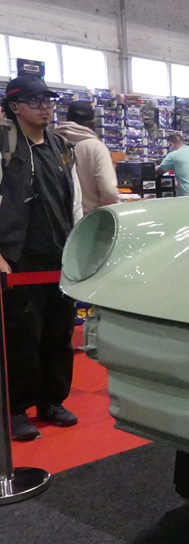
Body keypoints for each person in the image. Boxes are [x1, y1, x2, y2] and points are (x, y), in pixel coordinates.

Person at [0, 75, 80, 441]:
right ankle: (17, 409)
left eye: (49, 100)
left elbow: (74, 201)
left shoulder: (62, 146)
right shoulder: (5, 144)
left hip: (60, 256)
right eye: (35, 100)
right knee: (21, 338)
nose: (45, 106)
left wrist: (79, 247)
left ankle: (52, 401)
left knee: (58, 333)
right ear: (15, 106)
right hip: (19, 259)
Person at [55, 101, 119, 214]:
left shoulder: (51, 144)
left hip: (58, 218)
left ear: (66, 119)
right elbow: (109, 191)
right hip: (90, 219)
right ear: (92, 124)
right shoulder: (95, 147)